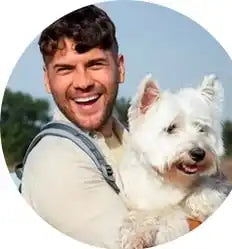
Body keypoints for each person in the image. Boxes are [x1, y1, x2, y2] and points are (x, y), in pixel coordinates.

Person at [21, 5, 200, 249]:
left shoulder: (128, 139)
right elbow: (129, 244)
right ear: (46, 79)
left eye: (95, 64)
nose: (83, 83)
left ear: (121, 68)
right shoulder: (55, 160)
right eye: (65, 69)